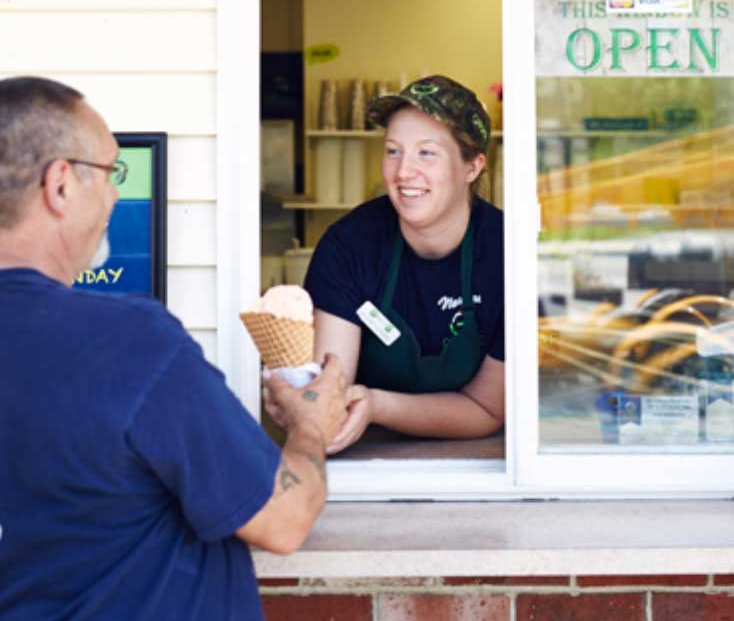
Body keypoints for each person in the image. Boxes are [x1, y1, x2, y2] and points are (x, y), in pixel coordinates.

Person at [0, 76, 349, 621]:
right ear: (61, 184)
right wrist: (311, 425)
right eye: (111, 172)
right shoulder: (127, 345)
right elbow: (283, 520)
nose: (116, 194)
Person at [304, 74, 505, 453]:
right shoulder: (349, 247)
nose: (403, 172)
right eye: (393, 150)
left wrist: (377, 405)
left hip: (481, 464)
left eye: (426, 152)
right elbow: (331, 397)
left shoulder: (505, 253)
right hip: (360, 459)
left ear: (472, 168)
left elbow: (487, 408)